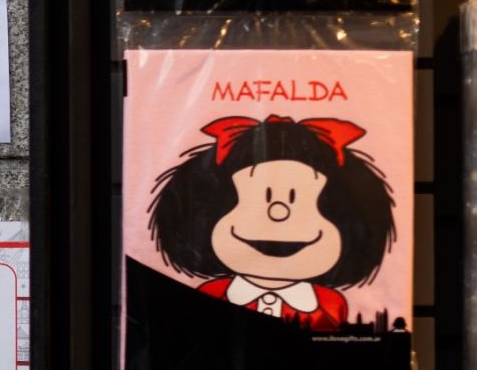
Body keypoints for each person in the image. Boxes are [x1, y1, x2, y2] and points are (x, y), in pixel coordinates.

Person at [148, 115, 396, 331]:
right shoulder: (210, 295)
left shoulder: (331, 305)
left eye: (297, 200)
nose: (278, 214)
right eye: (260, 199)